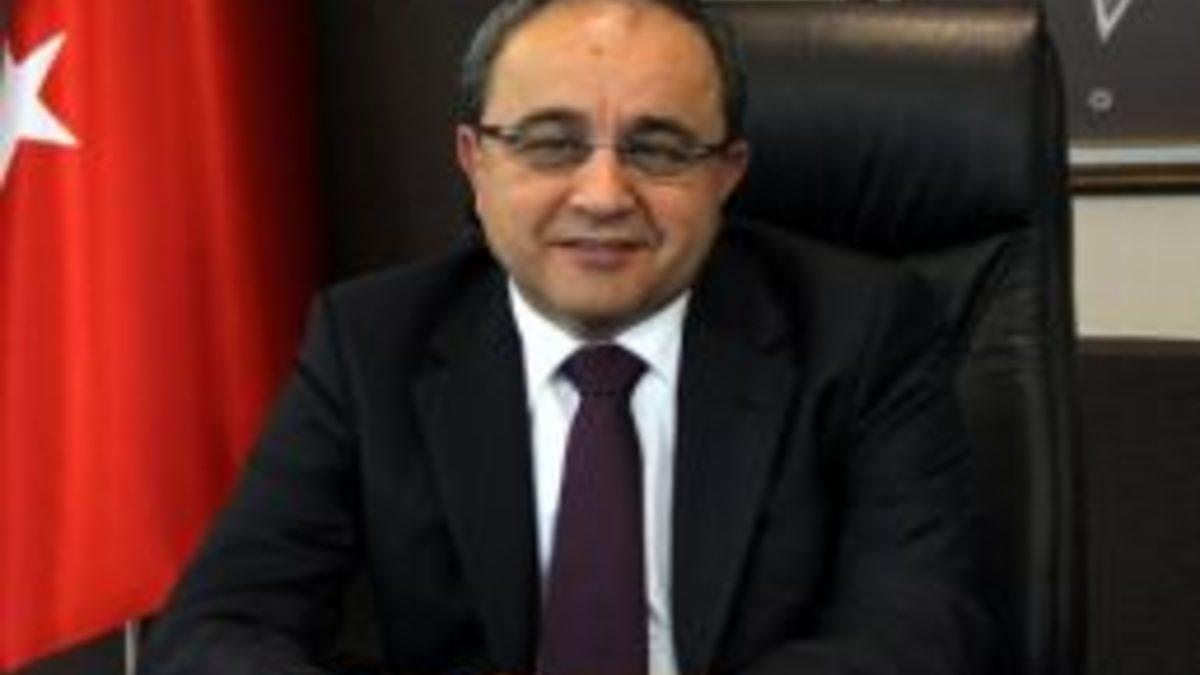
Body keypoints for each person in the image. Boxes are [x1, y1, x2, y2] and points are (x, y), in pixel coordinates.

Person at [143, 0, 996, 673]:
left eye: (659, 150)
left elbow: (918, 633)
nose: (603, 194)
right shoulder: (374, 341)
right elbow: (217, 629)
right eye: (551, 145)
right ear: (476, 161)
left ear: (726, 175)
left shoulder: (860, 331)